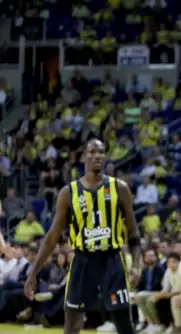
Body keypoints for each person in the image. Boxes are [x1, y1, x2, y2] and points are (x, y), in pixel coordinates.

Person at [23, 139, 141, 334]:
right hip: (82, 260)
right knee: (72, 324)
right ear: (84, 156)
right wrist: (33, 272)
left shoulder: (120, 188)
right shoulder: (68, 193)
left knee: (124, 323)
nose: (98, 156)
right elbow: (52, 237)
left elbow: (133, 232)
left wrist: (136, 265)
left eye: (101, 152)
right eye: (93, 152)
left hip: (111, 259)